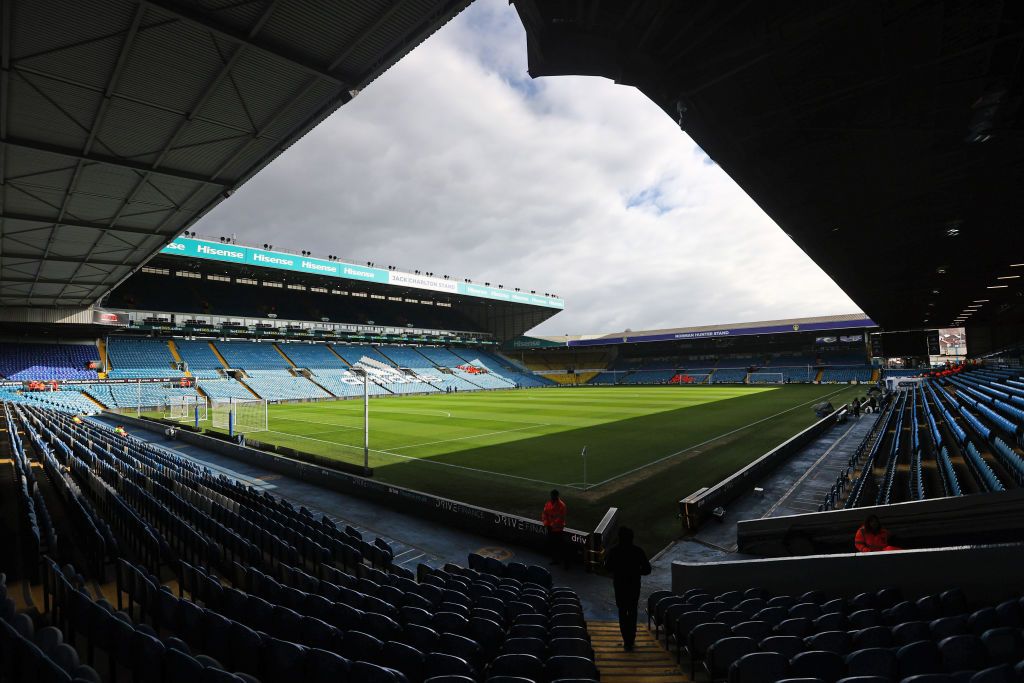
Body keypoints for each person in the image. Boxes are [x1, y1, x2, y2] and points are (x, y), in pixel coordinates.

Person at [604, 526, 651, 651]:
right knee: (632, 611)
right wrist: (636, 572)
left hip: (620, 586)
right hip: (634, 586)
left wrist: (618, 570)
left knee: (622, 612)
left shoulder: (614, 551)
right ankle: (631, 639)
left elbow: (607, 568)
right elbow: (647, 570)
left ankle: (626, 641)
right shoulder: (638, 551)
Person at [542, 489, 568, 568]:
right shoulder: (548, 504)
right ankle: (555, 560)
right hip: (550, 528)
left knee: (560, 546)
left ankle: (565, 562)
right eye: (552, 496)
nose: (552, 497)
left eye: (554, 496)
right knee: (553, 545)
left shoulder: (562, 505)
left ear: (557, 496)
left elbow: (560, 518)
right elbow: (544, 514)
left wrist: (551, 525)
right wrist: (546, 524)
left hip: (558, 529)